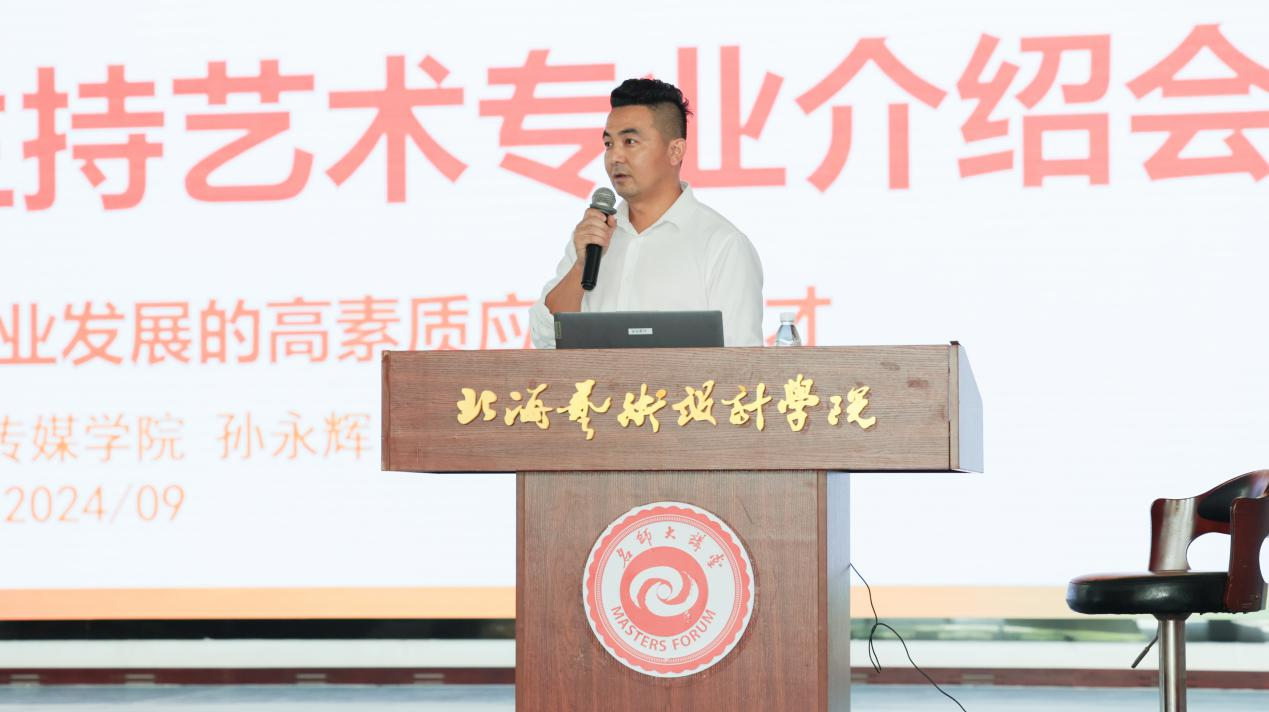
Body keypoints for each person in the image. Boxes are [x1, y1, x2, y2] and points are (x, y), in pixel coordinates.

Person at [528, 78, 764, 349]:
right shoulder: (593, 237)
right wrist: (580, 266)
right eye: (608, 144)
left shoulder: (722, 245)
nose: (615, 157)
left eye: (630, 141)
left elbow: (741, 360)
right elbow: (547, 339)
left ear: (675, 151)